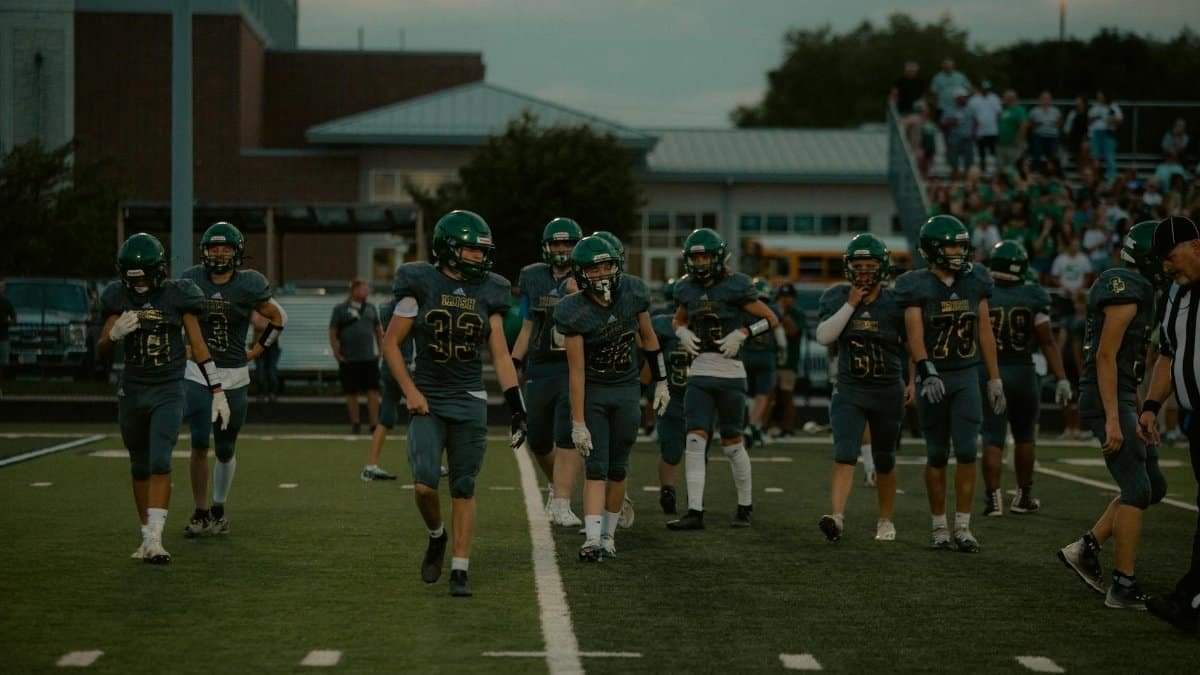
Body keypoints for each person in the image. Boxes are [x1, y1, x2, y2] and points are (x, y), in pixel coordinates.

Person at [381, 210, 528, 597]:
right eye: (472, 250)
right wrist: (410, 390)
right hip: (428, 396)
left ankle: (460, 569)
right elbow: (390, 344)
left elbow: (499, 355)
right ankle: (437, 535)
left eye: (482, 251)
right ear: (449, 248)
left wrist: (517, 405)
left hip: (469, 398)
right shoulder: (419, 282)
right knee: (425, 484)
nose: (480, 257)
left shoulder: (490, 289)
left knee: (463, 485)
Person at [1057, 221, 1168, 610]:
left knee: (1154, 487)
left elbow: (1128, 363)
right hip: (1105, 396)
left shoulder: (1142, 288)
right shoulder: (1125, 286)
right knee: (1137, 489)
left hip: (1121, 395)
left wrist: (1140, 411)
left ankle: (1087, 547)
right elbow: (1106, 356)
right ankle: (1123, 585)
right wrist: (1112, 418)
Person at [97, 233, 227, 564]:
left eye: (143, 277)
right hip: (133, 388)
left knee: (159, 460)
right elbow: (99, 350)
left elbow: (197, 344)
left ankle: (155, 539)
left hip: (168, 386)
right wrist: (112, 336)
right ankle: (146, 537)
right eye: (132, 278)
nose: (138, 285)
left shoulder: (176, 294)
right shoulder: (116, 296)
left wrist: (216, 389)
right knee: (139, 465)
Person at [893, 215, 1005, 552]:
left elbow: (984, 330)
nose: (959, 251)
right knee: (938, 452)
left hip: (966, 374)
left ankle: (964, 527)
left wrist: (995, 377)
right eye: (952, 245)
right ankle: (939, 526)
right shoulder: (915, 284)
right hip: (934, 378)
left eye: (961, 244)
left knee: (969, 449)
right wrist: (926, 371)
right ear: (933, 250)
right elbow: (914, 335)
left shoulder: (976, 280)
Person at [557, 236, 668, 560]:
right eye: (594, 268)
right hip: (594, 391)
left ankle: (608, 536)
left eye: (607, 266)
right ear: (580, 273)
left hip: (626, 390)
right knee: (596, 465)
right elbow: (576, 371)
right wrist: (578, 421)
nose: (602, 273)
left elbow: (649, 340)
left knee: (618, 468)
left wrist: (661, 382)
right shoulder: (573, 310)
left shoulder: (632, 293)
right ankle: (591, 540)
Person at [667, 228, 782, 531]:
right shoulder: (686, 289)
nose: (701, 262)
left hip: (731, 373)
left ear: (718, 257)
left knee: (732, 443)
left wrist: (742, 333)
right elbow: (678, 318)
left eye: (706, 256)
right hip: (700, 372)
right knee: (694, 439)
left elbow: (771, 319)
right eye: (696, 256)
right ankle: (694, 511)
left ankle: (745, 506)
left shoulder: (736, 286)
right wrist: (681, 330)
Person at [180, 222, 285, 538]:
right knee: (199, 443)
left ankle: (218, 508)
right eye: (214, 247)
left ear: (237, 252)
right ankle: (200, 512)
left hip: (235, 375)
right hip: (198, 372)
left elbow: (278, 318)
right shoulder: (190, 279)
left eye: (226, 248)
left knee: (225, 448)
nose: (220, 253)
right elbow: (174, 314)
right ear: (205, 251)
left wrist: (257, 350)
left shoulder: (249, 284)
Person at [814, 234, 908, 543]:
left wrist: (914, 381)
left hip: (886, 389)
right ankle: (837, 517)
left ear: (882, 267)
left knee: (885, 458)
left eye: (870, 265)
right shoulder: (837, 296)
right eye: (859, 265)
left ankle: (885, 520)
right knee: (844, 453)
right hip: (850, 388)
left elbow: (915, 344)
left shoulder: (896, 302)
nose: (864, 271)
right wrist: (851, 303)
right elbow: (824, 337)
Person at [978, 241, 1072, 517]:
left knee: (993, 437)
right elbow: (1047, 340)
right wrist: (1062, 377)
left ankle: (993, 500)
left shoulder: (983, 292)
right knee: (1025, 436)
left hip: (991, 372)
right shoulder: (1033, 294)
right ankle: (1023, 496)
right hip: (1023, 371)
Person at [1142, 215, 1200, 631]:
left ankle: (1189, 600)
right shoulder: (1178, 295)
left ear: (1195, 244)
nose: (1166, 267)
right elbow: (1168, 354)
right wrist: (1150, 405)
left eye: (1170, 256)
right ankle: (1190, 600)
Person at [510, 217, 584, 527]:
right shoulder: (533, 277)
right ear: (547, 246)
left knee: (566, 435)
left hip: (572, 366)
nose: (563, 249)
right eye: (558, 243)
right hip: (540, 367)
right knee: (538, 440)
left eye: (568, 244)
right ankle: (557, 485)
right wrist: (514, 361)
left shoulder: (588, 275)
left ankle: (562, 500)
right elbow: (528, 325)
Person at [361, 296, 411, 481]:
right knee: (424, 411)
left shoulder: (386, 305)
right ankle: (429, 461)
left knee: (386, 417)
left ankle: (371, 465)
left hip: (388, 365)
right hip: (401, 365)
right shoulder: (405, 305)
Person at [652, 301, 693, 515]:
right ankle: (667, 490)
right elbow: (647, 354)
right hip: (671, 395)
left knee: (698, 448)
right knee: (671, 448)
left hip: (699, 396)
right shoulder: (662, 325)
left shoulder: (710, 326)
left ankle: (695, 497)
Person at [329, 279, 383, 434]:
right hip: (349, 358)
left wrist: (380, 350)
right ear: (353, 291)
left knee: (373, 390)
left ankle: (374, 423)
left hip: (368, 358)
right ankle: (356, 422)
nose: (367, 292)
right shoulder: (340, 309)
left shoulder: (371, 308)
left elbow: (378, 330)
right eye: (363, 289)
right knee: (351, 392)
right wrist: (336, 352)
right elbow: (333, 331)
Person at [741, 277, 785, 448]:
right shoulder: (772, 308)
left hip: (746, 355)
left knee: (749, 394)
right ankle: (753, 427)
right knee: (762, 395)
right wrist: (782, 350)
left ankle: (753, 428)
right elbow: (779, 333)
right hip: (766, 356)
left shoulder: (745, 308)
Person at [772, 283, 805, 439]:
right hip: (772, 360)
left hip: (788, 362)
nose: (786, 300)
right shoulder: (771, 312)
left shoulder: (797, 314)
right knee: (769, 396)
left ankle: (788, 428)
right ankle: (769, 427)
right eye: (783, 297)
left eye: (789, 297)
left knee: (786, 396)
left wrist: (782, 316)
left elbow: (793, 331)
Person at [940, 88, 975, 182]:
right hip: (954, 139)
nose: (965, 99)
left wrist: (974, 134)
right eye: (962, 97)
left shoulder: (970, 109)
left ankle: (968, 185)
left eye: (965, 97)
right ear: (957, 98)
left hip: (967, 139)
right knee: (954, 164)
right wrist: (952, 122)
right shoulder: (949, 110)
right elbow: (942, 125)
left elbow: (975, 122)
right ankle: (954, 185)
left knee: (968, 163)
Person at [251, 304, 283, 403]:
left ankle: (269, 393)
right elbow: (257, 323)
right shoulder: (264, 310)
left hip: (269, 343)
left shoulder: (261, 310)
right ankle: (264, 394)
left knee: (269, 369)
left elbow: (259, 324)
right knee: (262, 369)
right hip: (264, 342)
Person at [967, 80, 1002, 173]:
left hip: (993, 131)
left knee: (994, 153)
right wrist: (974, 130)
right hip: (980, 132)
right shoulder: (974, 100)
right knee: (981, 154)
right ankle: (983, 172)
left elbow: (999, 113)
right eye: (984, 88)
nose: (986, 90)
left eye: (987, 89)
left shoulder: (995, 98)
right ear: (980, 89)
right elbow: (971, 116)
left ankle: (996, 172)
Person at [1089, 91, 1123, 183]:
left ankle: (1112, 178)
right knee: (1095, 156)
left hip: (1108, 133)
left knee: (1109, 156)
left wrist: (1112, 119)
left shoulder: (1113, 106)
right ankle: (1095, 179)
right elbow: (1089, 119)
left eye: (1101, 96)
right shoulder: (1095, 107)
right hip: (1096, 133)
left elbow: (1120, 120)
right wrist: (1095, 118)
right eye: (1098, 97)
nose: (1099, 98)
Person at [1028, 91, 1062, 170]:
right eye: (1044, 98)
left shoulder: (1055, 110)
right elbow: (1030, 123)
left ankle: (1052, 172)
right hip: (1039, 135)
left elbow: (1060, 122)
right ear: (1040, 99)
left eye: (1047, 98)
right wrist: (1036, 124)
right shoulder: (1034, 110)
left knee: (1052, 156)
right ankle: (1036, 171)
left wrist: (1056, 124)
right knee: (1037, 154)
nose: (1046, 100)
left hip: (1053, 136)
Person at [996, 89, 1028, 173]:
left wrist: (1018, 140)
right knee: (1001, 169)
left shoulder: (1019, 110)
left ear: (1011, 99)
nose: (1003, 100)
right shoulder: (1004, 110)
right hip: (1001, 144)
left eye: (1004, 98)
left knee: (1014, 169)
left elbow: (1023, 125)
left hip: (1013, 145)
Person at [0, 279, 15, 391]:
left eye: (1, 287)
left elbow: (14, 319)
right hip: (3, 336)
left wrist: (7, 322)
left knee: (4, 361)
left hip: (3, 336)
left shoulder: (6, 302)